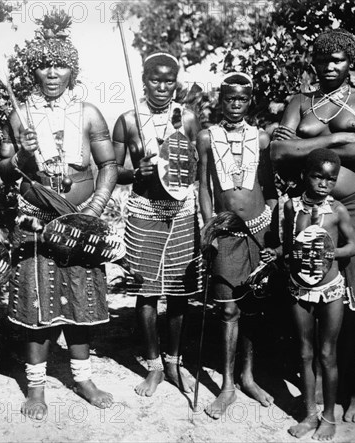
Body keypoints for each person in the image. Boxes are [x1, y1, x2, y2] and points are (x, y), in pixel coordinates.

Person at [0, 15, 117, 420]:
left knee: (81, 301)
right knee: (37, 303)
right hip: (34, 223)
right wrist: (23, 156)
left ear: (73, 71)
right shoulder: (19, 117)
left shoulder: (88, 113)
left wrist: (94, 209)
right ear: (33, 70)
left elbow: (109, 165)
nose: (52, 72)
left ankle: (81, 377)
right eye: (44, 64)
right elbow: (5, 172)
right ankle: (35, 387)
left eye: (61, 64)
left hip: (80, 219)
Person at [271, 29, 355, 421]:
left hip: (351, 206)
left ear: (350, 62)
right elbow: (278, 151)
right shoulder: (301, 101)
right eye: (323, 59)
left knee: (350, 293)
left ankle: (353, 390)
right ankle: (314, 383)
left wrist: (310, 147)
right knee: (308, 277)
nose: (329, 66)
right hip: (308, 204)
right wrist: (339, 136)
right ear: (314, 63)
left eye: (337, 59)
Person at [112, 52, 202, 396]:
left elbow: (196, 163)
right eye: (154, 80)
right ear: (143, 78)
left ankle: (174, 362)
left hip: (181, 211)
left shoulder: (187, 118)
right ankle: (153, 368)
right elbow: (111, 168)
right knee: (146, 290)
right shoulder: (128, 120)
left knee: (178, 291)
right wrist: (136, 172)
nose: (162, 87)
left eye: (169, 81)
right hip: (144, 209)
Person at [197, 72, 278, 419]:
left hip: (259, 230)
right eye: (229, 99)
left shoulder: (260, 138)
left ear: (250, 101)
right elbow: (203, 185)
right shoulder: (206, 137)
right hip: (226, 233)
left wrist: (271, 220)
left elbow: (270, 186)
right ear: (221, 100)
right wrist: (208, 227)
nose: (235, 105)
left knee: (255, 307)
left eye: (242, 99)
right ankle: (227, 386)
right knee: (228, 308)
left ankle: (248, 376)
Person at [280, 149, 355, 440]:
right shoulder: (291, 207)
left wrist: (331, 252)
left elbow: (353, 247)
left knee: (327, 353)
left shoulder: (336, 210)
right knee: (304, 351)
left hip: (330, 289)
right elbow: (290, 244)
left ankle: (329, 418)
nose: (324, 183)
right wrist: (282, 254)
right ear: (305, 175)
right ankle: (310, 415)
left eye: (330, 179)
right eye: (317, 176)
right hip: (299, 287)